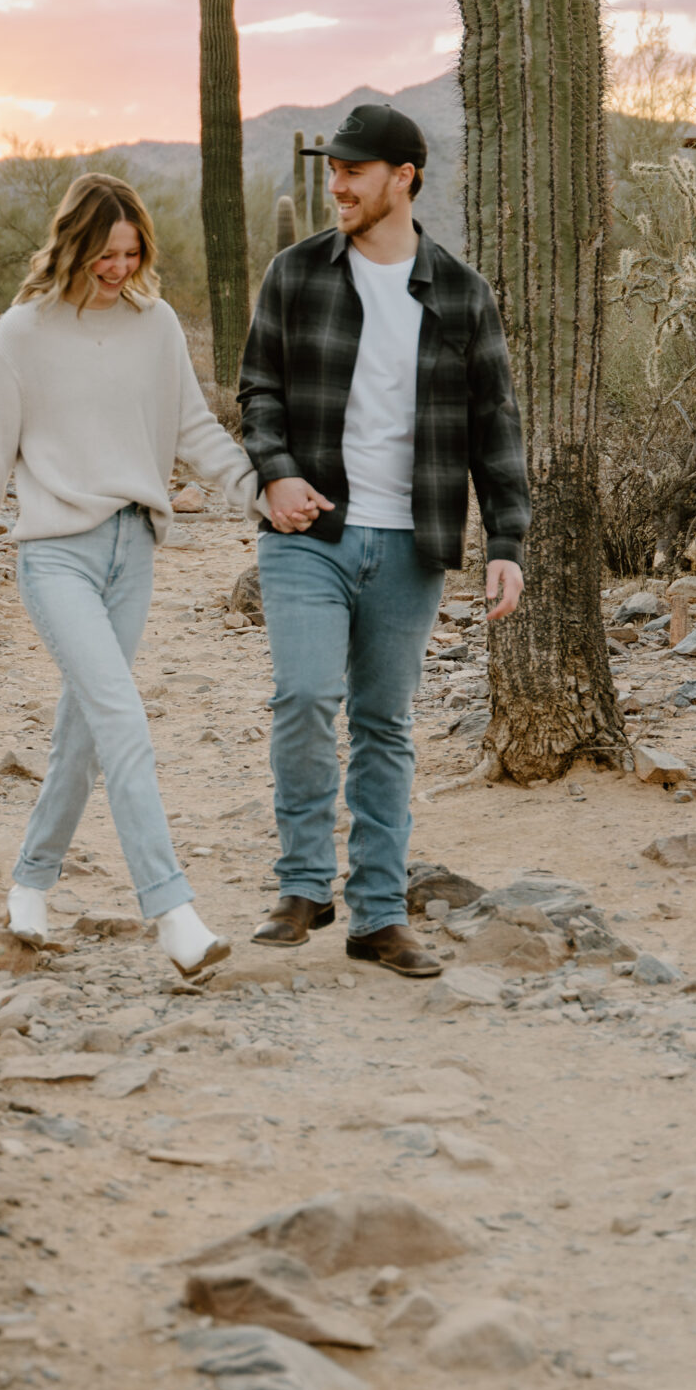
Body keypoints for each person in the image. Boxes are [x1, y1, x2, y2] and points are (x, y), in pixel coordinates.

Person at [238, 102, 530, 979]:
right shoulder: (296, 273)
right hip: (308, 530)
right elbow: (257, 389)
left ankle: (374, 914)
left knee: (382, 724)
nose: (336, 185)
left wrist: (505, 541)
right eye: (332, 170)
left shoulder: (460, 293)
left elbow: (496, 427)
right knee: (302, 697)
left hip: (411, 542)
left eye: (353, 172)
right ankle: (301, 884)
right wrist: (275, 469)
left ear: (402, 178)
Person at [0, 173, 257, 977]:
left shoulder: (157, 329)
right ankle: (172, 912)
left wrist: (260, 493)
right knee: (120, 720)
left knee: (83, 731)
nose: (119, 268)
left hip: (133, 551)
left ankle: (28, 884)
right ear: (73, 244)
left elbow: (193, 428)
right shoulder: (21, 333)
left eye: (132, 252)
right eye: (104, 253)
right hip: (55, 556)